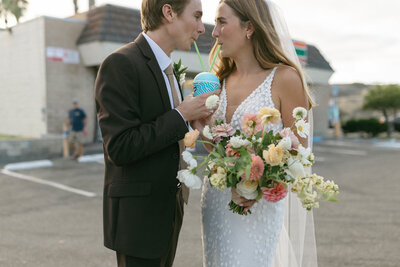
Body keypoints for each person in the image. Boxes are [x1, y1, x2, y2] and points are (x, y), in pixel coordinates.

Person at [191, 0, 318, 266]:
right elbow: (217, 149)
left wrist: (259, 180)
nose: (213, 33)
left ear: (249, 27)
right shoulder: (218, 81)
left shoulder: (285, 78)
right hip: (216, 201)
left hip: (256, 206)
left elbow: (301, 155)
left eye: (222, 23)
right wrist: (201, 130)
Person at [94, 0, 217, 266]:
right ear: (169, 12)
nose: (201, 28)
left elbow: (163, 134)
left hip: (169, 210)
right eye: (196, 17)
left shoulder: (170, 70)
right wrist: (181, 115)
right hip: (138, 220)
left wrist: (192, 126)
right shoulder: (120, 63)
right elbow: (120, 147)